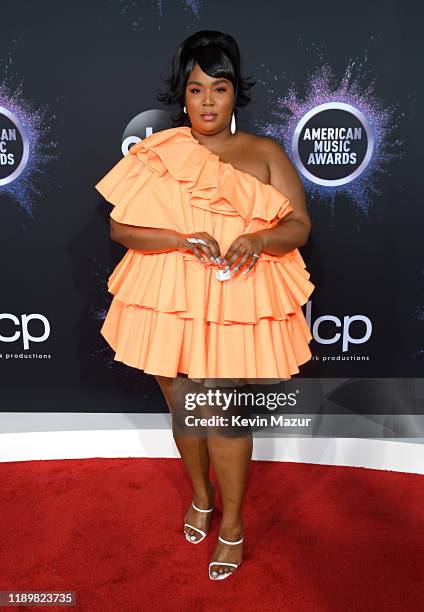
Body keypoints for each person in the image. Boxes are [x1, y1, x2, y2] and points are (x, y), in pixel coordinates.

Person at [95, 30, 315, 580]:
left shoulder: (264, 153)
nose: (208, 101)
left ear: (236, 92)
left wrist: (261, 240)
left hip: (234, 299)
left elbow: (298, 226)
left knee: (221, 416)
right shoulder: (157, 152)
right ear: (182, 95)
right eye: (197, 90)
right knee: (185, 411)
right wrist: (176, 238)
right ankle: (200, 497)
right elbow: (120, 227)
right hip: (169, 298)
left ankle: (234, 526)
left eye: (220, 88)